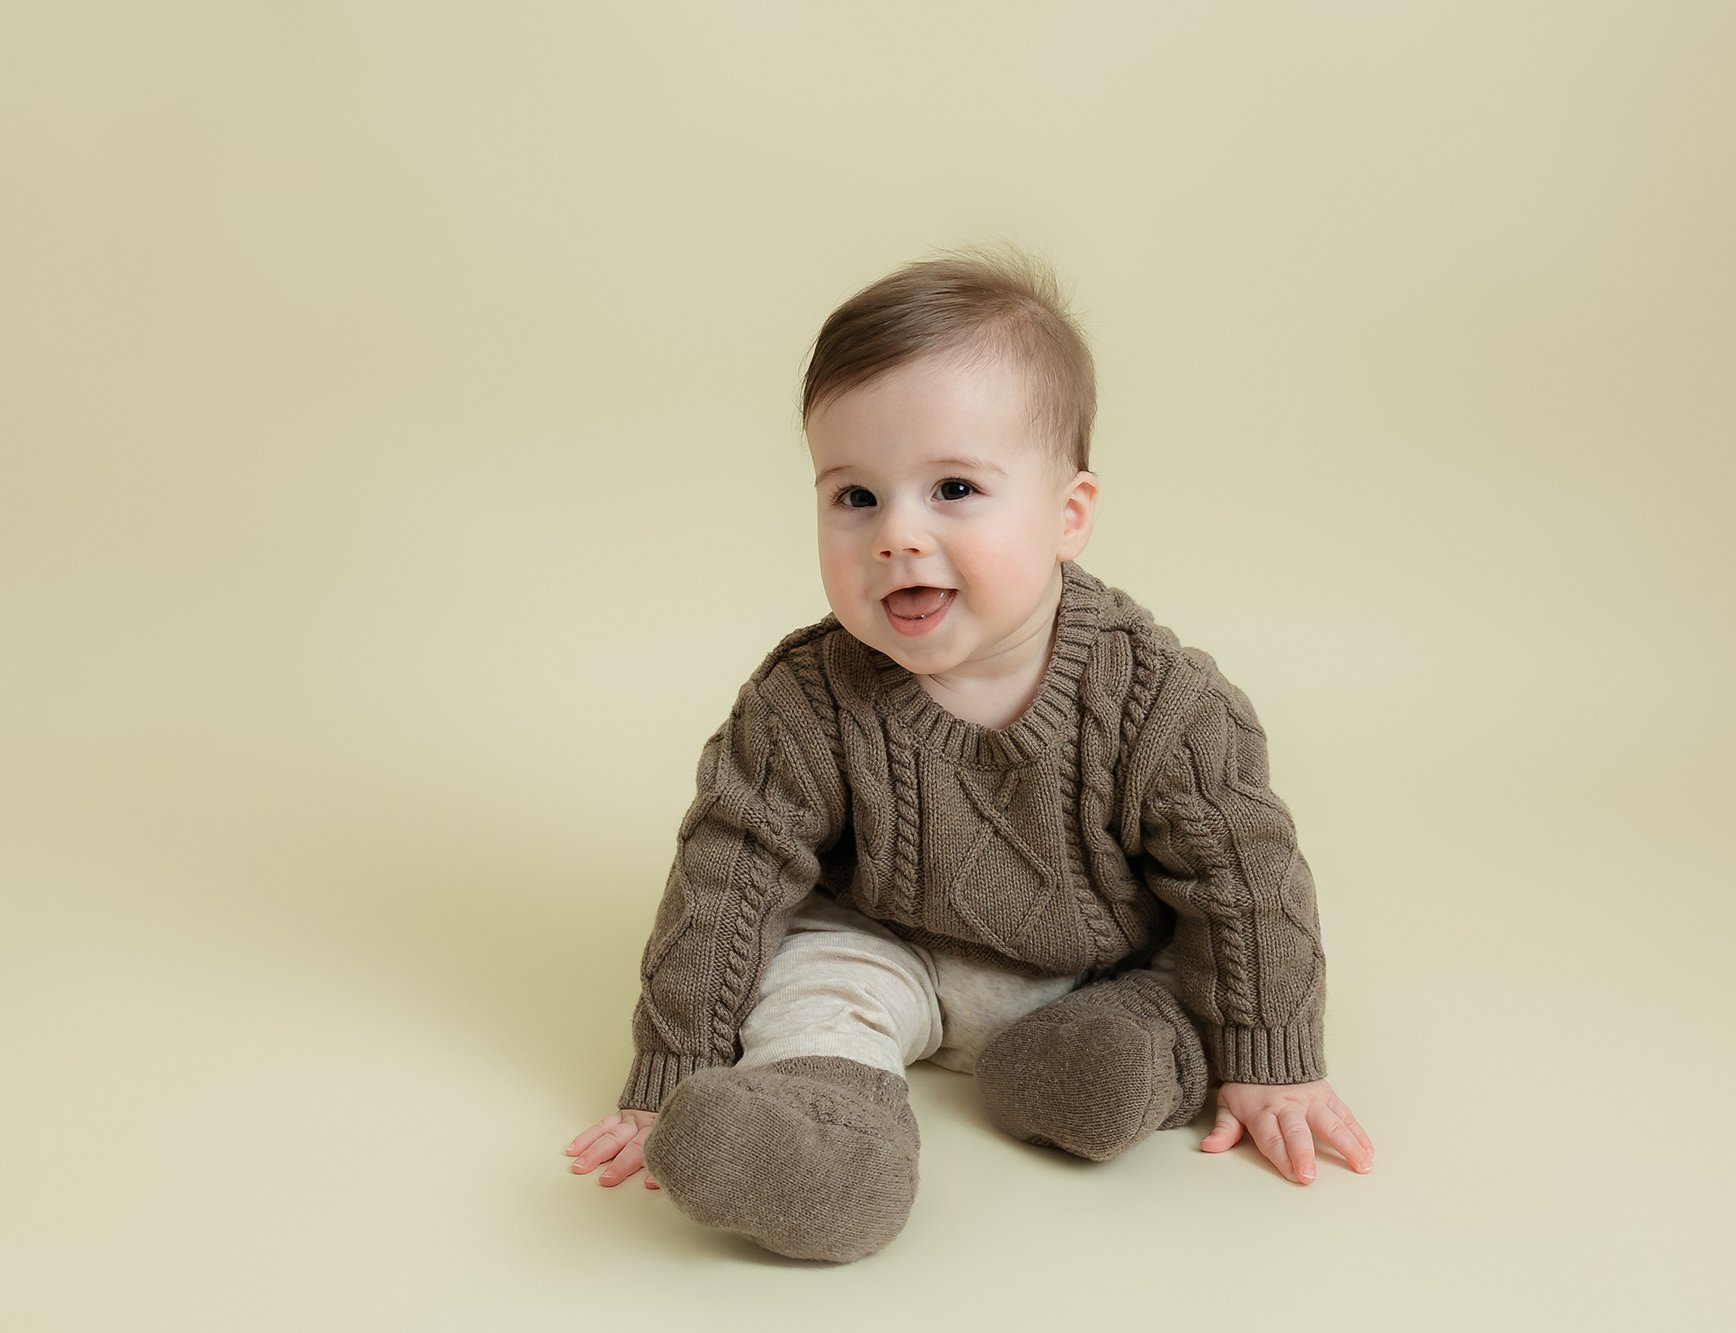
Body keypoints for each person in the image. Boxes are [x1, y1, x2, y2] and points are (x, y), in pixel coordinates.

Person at [564, 246, 1374, 1262]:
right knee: (815, 982)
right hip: (888, 947)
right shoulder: (804, 698)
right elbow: (725, 877)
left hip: (1102, 965)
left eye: (951, 487)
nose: (896, 535)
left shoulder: (1158, 697)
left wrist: (1274, 1059)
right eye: (853, 496)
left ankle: (1112, 1064)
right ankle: (826, 1143)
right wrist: (672, 1066)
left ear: (1066, 515)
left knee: (1224, 961)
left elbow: (1241, 873)